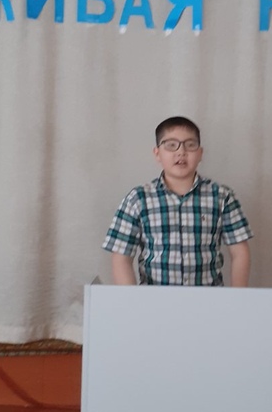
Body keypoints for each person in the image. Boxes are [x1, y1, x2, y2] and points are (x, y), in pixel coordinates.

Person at [102, 117, 252, 287]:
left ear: (200, 153)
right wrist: (132, 300)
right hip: (154, 298)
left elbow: (240, 252)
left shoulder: (222, 196)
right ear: (157, 153)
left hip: (208, 298)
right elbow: (121, 257)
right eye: (171, 145)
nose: (181, 152)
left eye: (190, 145)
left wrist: (237, 298)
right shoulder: (138, 199)